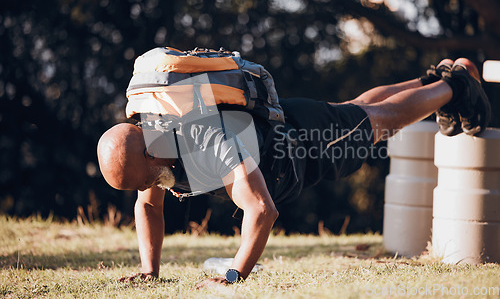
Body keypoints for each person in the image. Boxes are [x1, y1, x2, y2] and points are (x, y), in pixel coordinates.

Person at [97, 55, 490, 289]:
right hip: (288, 123)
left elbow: (262, 210)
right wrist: (150, 270)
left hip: (302, 146)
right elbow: (147, 207)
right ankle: (435, 79)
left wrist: (235, 275)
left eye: (145, 179)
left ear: (148, 151)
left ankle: (455, 88)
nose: (148, 188)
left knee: (377, 122)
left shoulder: (204, 139)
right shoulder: (154, 133)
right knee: (357, 110)